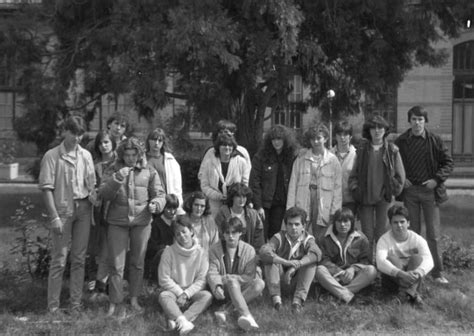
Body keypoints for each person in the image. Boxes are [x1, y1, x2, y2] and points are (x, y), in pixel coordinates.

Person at [99, 136, 166, 316]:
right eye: (126, 154)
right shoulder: (112, 169)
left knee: (137, 263)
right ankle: (115, 302)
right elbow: (103, 194)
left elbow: (160, 194)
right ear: (121, 154)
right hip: (117, 222)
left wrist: (156, 204)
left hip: (142, 222)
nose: (130, 158)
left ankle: (134, 299)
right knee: (116, 264)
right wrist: (116, 180)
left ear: (139, 154)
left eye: (133, 154)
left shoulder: (149, 171)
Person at [38, 116, 96, 313]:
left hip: (84, 210)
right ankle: (53, 307)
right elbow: (46, 189)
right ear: (65, 131)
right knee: (59, 259)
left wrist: (95, 194)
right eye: (74, 133)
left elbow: (91, 184)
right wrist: (54, 217)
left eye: (80, 134)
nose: (77, 138)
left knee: (79, 259)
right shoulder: (52, 156)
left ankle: (75, 304)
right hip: (63, 212)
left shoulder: (86, 156)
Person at [394, 106, 454, 284]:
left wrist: (436, 179)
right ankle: (415, 270)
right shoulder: (401, 141)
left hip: (430, 191)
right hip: (410, 192)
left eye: (420, 119)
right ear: (409, 121)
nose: (417, 122)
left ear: (425, 121)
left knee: (433, 234)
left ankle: (437, 272)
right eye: (414, 119)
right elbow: (392, 164)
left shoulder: (434, 140)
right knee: (412, 232)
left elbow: (448, 163)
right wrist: (401, 179)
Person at [349, 115, 405, 258]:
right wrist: (355, 189)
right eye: (373, 128)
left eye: (380, 127)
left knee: (382, 234)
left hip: (384, 200)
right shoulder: (362, 150)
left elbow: (400, 175)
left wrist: (393, 190)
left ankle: (382, 267)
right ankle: (368, 267)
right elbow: (354, 174)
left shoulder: (392, 150)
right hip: (365, 198)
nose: (377, 131)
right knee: (367, 235)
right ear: (369, 131)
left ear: (385, 130)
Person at [259, 206, 322, 313]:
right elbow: (264, 251)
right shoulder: (279, 237)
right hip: (279, 280)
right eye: (290, 224)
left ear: (304, 226)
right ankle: (277, 302)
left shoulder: (308, 239)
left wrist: (296, 266)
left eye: (297, 224)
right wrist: (285, 262)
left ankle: (297, 302)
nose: (293, 228)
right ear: (286, 225)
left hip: (297, 281)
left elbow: (317, 254)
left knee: (311, 263)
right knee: (270, 261)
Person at [158, 217, 213, 335]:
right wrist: (180, 293)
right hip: (173, 292)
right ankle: (183, 321)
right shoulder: (168, 252)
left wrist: (186, 294)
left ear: (191, 231)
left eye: (184, 231)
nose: (182, 236)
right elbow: (164, 278)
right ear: (174, 237)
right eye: (178, 234)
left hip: (192, 292)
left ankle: (179, 320)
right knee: (163, 296)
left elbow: (202, 280)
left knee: (207, 296)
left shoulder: (202, 253)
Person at [207, 217, 265, 331]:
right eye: (227, 232)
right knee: (232, 282)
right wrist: (217, 285)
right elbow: (212, 273)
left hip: (242, 286)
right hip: (223, 289)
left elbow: (249, 276)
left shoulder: (249, 250)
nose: (230, 236)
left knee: (260, 283)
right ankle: (247, 315)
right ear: (223, 234)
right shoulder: (214, 249)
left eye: (234, 232)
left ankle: (226, 310)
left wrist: (231, 278)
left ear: (240, 233)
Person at [286, 124, 342, 238]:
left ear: (325, 138)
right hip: (303, 199)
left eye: (319, 138)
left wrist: (335, 211)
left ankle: (320, 255)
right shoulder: (301, 159)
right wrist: (290, 208)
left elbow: (337, 188)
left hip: (323, 202)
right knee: (299, 233)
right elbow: (293, 185)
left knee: (321, 237)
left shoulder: (333, 160)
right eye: (313, 139)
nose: (316, 142)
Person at [315, 208, 377, 303]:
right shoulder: (323, 238)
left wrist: (352, 269)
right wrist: (340, 272)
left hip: (354, 278)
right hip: (333, 277)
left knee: (372, 270)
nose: (342, 225)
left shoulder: (361, 238)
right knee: (319, 270)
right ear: (334, 223)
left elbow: (366, 261)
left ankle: (337, 294)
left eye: (345, 221)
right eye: (339, 221)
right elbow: (323, 260)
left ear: (352, 222)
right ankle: (348, 296)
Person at [376, 204, 434, 306]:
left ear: (408, 223)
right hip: (393, 280)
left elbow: (429, 260)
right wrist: (402, 274)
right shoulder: (384, 240)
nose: (399, 225)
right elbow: (380, 262)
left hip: (413, 277)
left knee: (417, 258)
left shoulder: (417, 239)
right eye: (395, 222)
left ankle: (403, 294)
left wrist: (417, 273)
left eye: (402, 222)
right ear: (390, 224)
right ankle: (413, 294)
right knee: (391, 259)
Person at [250, 125, 298, 240]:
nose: (276, 142)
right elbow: (254, 182)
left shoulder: (292, 157)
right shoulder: (260, 157)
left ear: (285, 140)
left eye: (279, 139)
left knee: (276, 236)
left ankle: (273, 257)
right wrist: (258, 205)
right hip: (264, 205)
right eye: (273, 139)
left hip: (281, 204)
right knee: (261, 235)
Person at [87, 130, 118, 300]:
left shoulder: (119, 163)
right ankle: (99, 284)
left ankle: (105, 284)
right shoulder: (95, 164)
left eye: (106, 142)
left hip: (116, 209)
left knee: (112, 249)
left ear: (113, 142)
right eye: (100, 143)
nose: (103, 146)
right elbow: (91, 185)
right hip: (98, 210)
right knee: (99, 248)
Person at [200, 132, 250, 216]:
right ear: (218, 147)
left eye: (230, 145)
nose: (227, 147)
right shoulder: (209, 163)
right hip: (214, 205)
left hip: (235, 205)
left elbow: (245, 183)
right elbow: (204, 185)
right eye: (224, 145)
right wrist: (218, 196)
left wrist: (237, 197)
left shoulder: (241, 162)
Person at [214, 183, 264, 251]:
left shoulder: (253, 215)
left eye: (244, 196)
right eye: (238, 196)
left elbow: (259, 240)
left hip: (249, 254)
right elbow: (219, 236)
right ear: (232, 197)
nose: (242, 200)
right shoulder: (222, 213)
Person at [145, 127, 184, 215]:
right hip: (147, 201)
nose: (156, 143)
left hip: (166, 202)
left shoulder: (170, 159)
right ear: (148, 140)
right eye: (154, 139)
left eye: (160, 140)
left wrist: (178, 205)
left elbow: (177, 185)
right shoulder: (142, 158)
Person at [144, 194, 179, 282]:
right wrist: (164, 247)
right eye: (169, 209)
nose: (172, 212)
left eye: (174, 209)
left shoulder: (177, 223)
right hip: (158, 258)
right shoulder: (156, 224)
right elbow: (151, 246)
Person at [331, 120, 358, 215]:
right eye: (339, 134)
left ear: (350, 136)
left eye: (345, 134)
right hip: (331, 201)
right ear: (335, 136)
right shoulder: (328, 155)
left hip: (350, 202)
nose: (342, 137)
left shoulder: (357, 155)